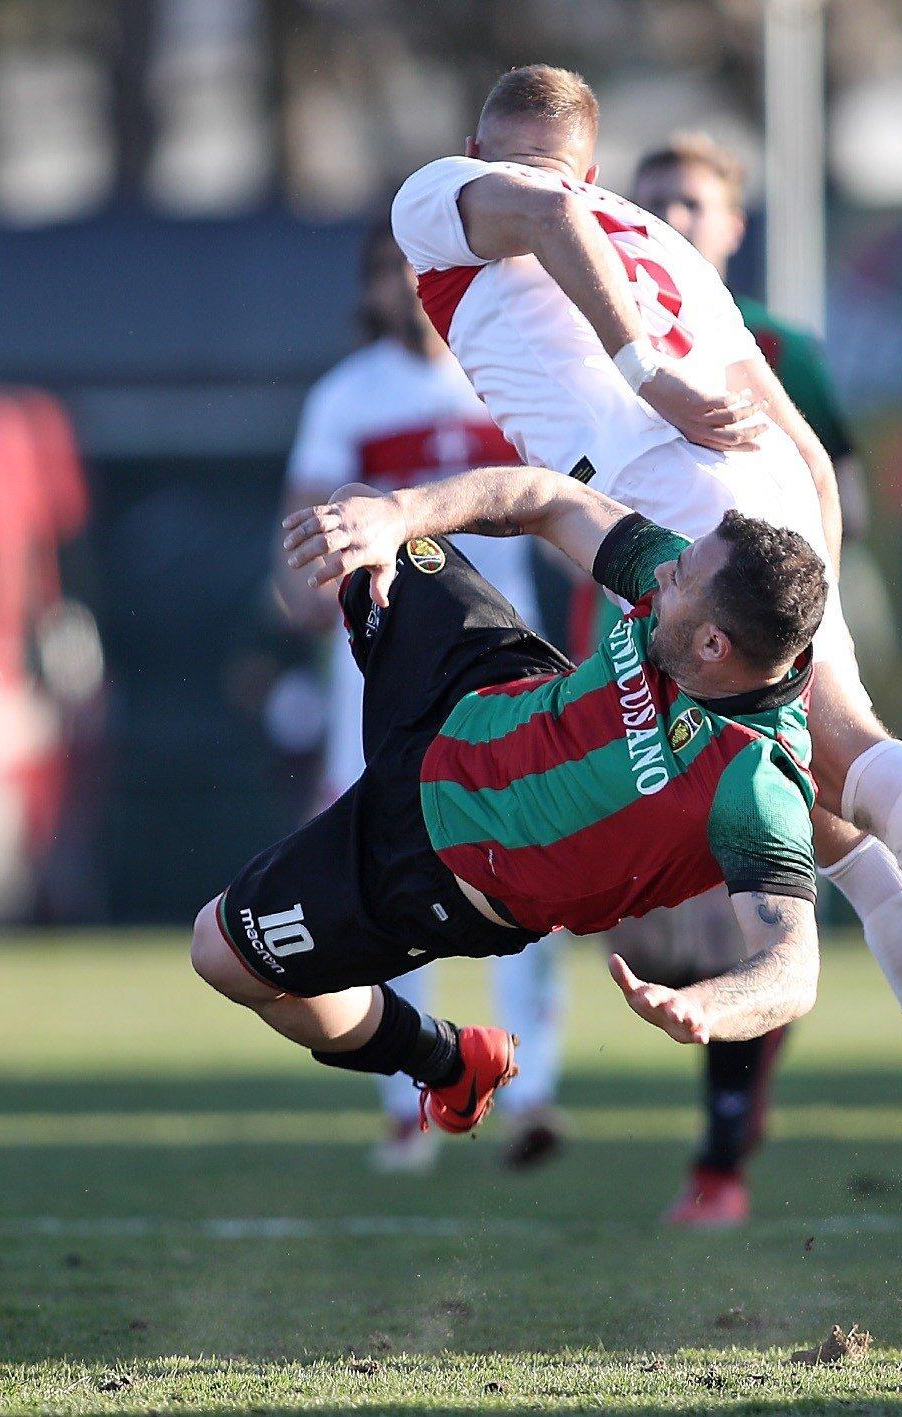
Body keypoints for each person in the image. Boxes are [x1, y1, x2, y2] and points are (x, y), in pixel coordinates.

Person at [388, 65, 902, 1221]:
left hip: (676, 503)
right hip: (766, 491)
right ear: (603, 166)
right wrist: (819, 588)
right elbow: (805, 450)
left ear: (483, 146)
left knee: (846, 763)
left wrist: (644, 376)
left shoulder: (451, 192)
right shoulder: (653, 237)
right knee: (841, 812)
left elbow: (544, 211)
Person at [190, 467, 831, 1132]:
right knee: (355, 515)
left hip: (438, 864)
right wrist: (400, 515)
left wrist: (713, 1007)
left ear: (712, 645)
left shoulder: (755, 779)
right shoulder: (687, 581)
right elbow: (551, 499)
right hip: (472, 688)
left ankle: (447, 1060)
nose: (663, 573)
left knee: (220, 951)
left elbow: (794, 967)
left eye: (678, 582)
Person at [551, 132, 867, 1227]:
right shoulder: (589, 339)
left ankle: (724, 1149)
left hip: (755, 674)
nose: (671, 222)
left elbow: (842, 500)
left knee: (764, 898)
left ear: (732, 227)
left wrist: (795, 623)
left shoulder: (778, 349)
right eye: (651, 204)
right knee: (641, 923)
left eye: (692, 205)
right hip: (634, 660)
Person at [279, 225, 567, 1175]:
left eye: (423, 273)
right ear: (369, 293)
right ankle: (412, 1090)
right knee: (379, 876)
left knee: (524, 869)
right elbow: (308, 534)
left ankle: (531, 1088)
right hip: (382, 673)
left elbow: (568, 510)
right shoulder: (345, 396)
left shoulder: (513, 379)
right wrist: (313, 598)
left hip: (498, 671)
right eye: (388, 277)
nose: (408, 292)